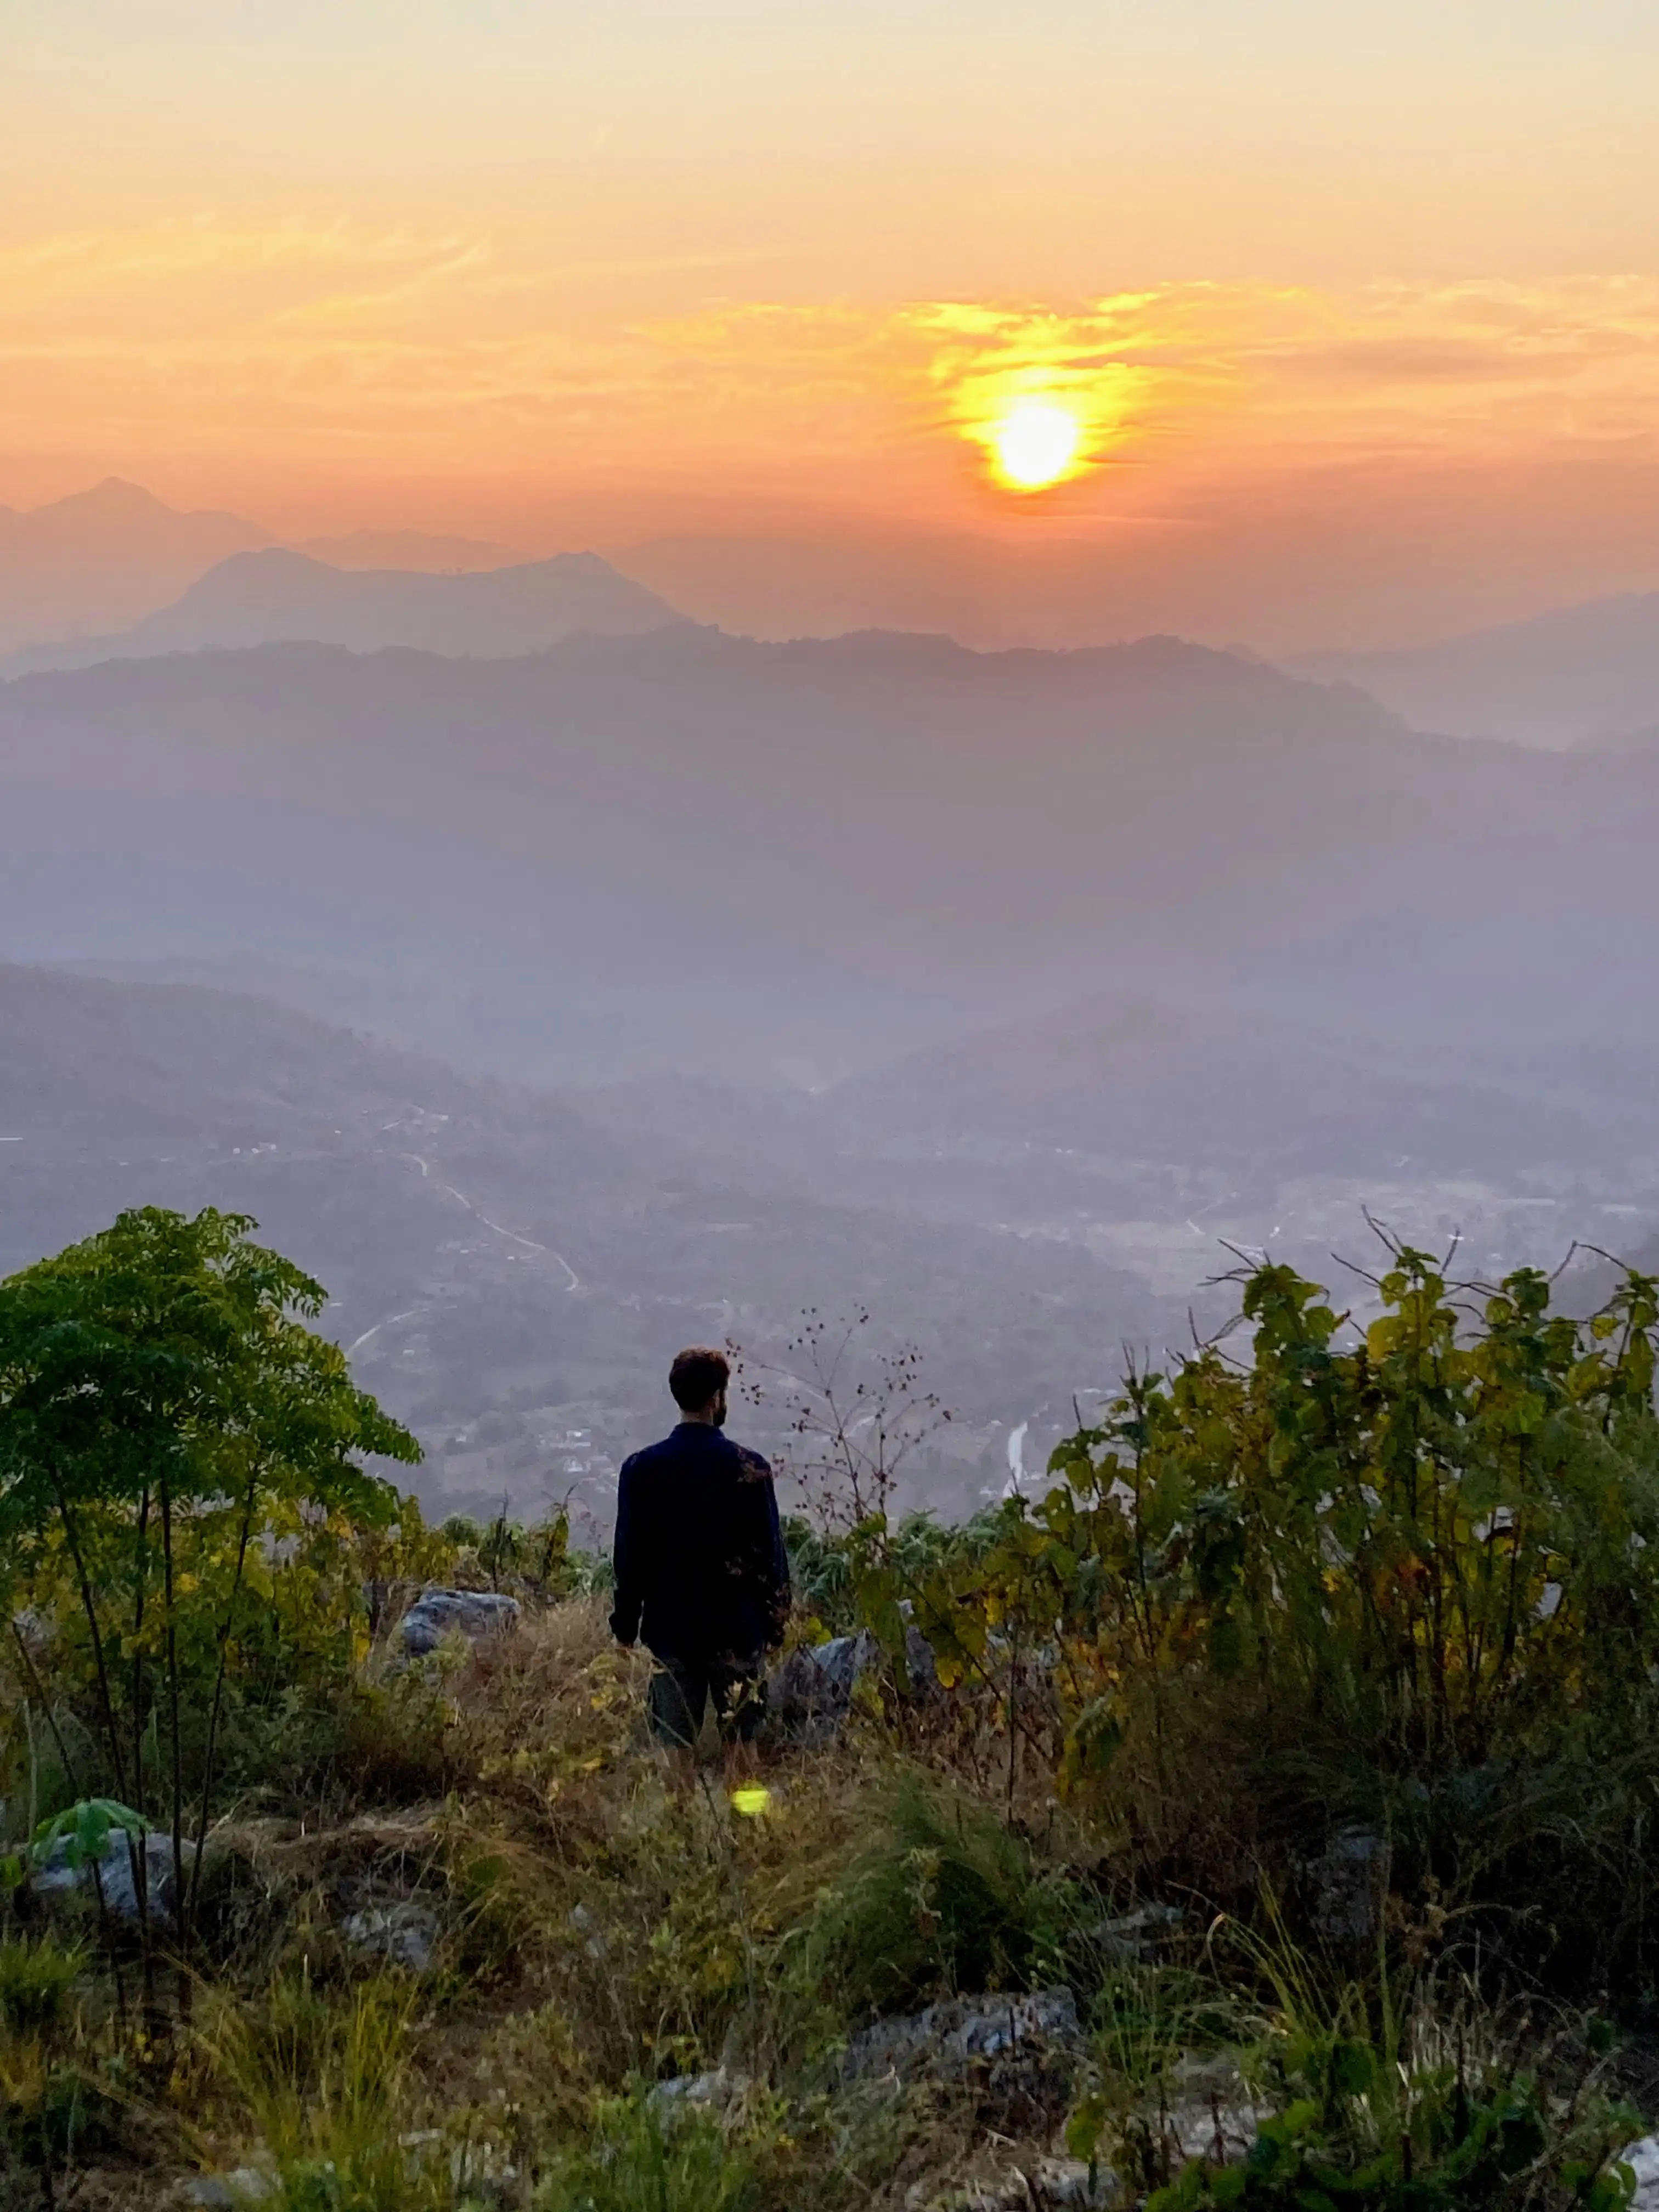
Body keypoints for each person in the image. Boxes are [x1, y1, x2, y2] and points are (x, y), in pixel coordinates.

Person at [610, 1346, 791, 1771]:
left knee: (676, 1751)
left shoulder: (641, 1469)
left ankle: (683, 1833)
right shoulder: (750, 1467)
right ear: (716, 1397)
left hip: (670, 1632)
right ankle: (746, 1832)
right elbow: (770, 1555)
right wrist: (776, 1624)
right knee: (742, 1745)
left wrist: (625, 1629)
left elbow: (629, 1560)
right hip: (738, 1631)